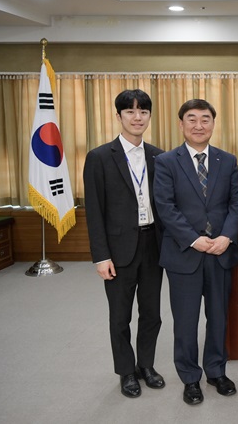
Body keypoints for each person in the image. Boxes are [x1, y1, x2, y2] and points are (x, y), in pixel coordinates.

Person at [153, 99, 238, 405]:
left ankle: (216, 371)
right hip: (184, 254)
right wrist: (194, 239)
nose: (198, 125)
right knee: (186, 321)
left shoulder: (227, 161)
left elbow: (237, 203)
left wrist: (227, 237)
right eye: (191, 119)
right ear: (181, 124)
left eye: (205, 119)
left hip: (220, 253)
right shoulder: (166, 162)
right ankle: (190, 378)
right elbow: (165, 206)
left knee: (218, 318)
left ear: (213, 124)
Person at [83, 89, 165, 398]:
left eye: (143, 111)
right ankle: (126, 372)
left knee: (152, 313)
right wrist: (100, 256)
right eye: (130, 111)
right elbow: (94, 211)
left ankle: (146, 365)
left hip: (153, 245)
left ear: (149, 116)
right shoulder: (99, 157)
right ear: (118, 116)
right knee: (120, 316)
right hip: (118, 250)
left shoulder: (159, 156)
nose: (137, 117)